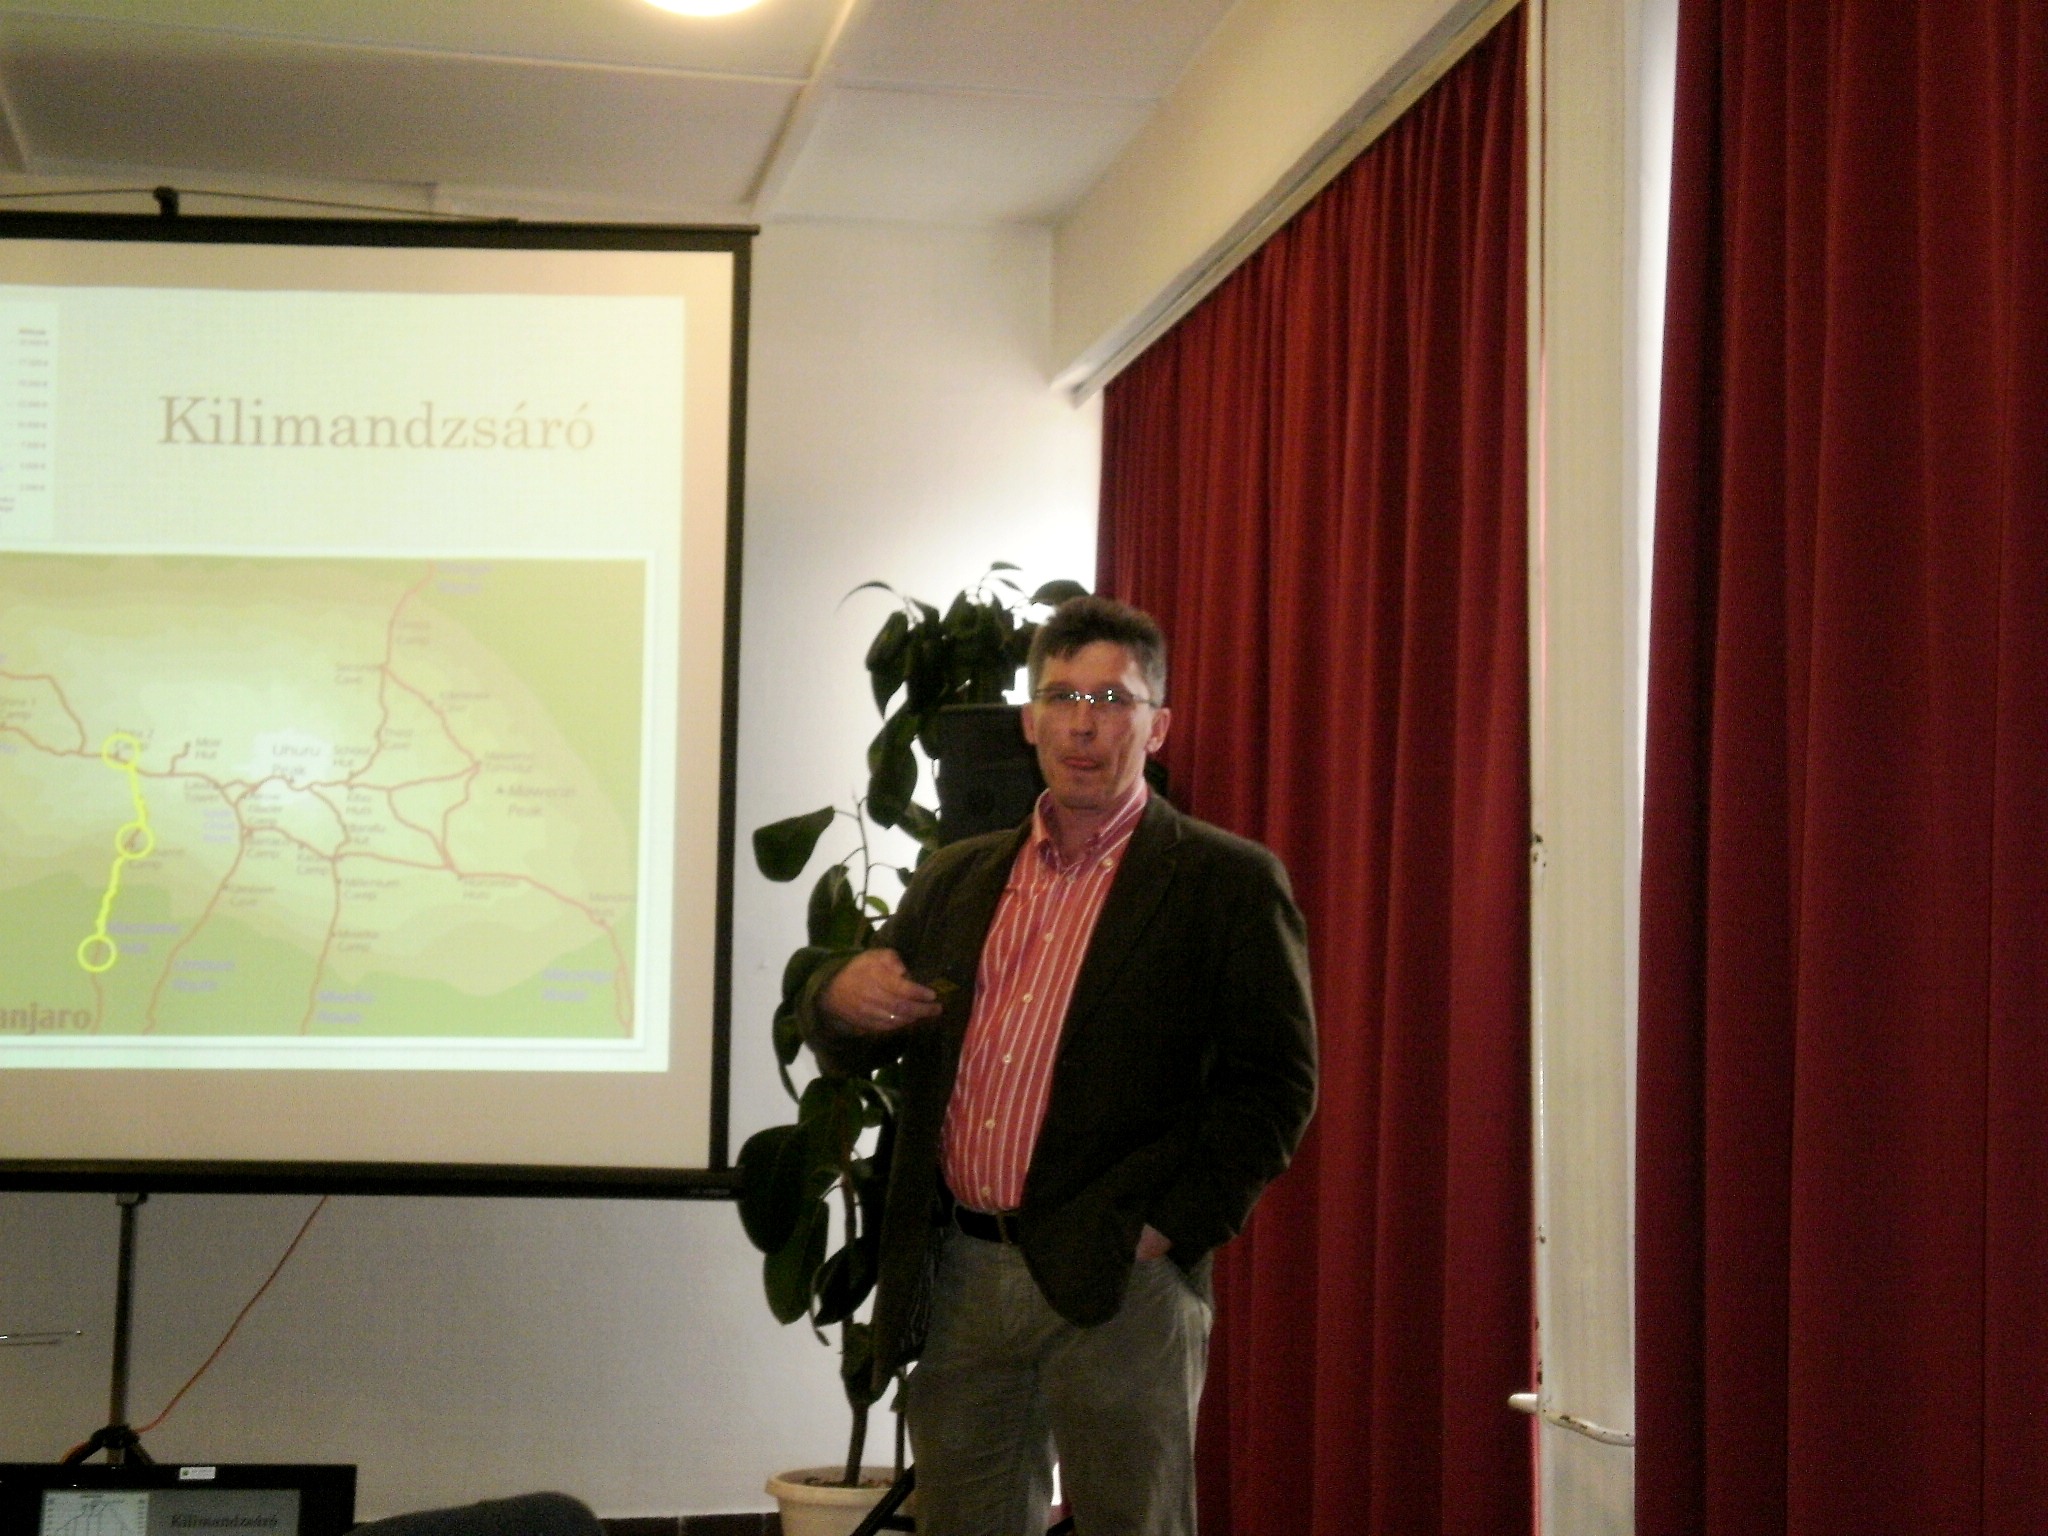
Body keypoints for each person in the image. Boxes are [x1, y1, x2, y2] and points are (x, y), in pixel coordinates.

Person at [804, 595, 1316, 1536]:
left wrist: (1165, 1229)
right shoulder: (957, 877)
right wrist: (838, 999)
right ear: (1029, 721)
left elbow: (1276, 1086)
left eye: (1113, 699)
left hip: (1121, 1282)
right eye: (1062, 696)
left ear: (1158, 726)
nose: (1084, 723)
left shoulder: (1226, 883)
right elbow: (868, 1026)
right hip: (960, 1273)